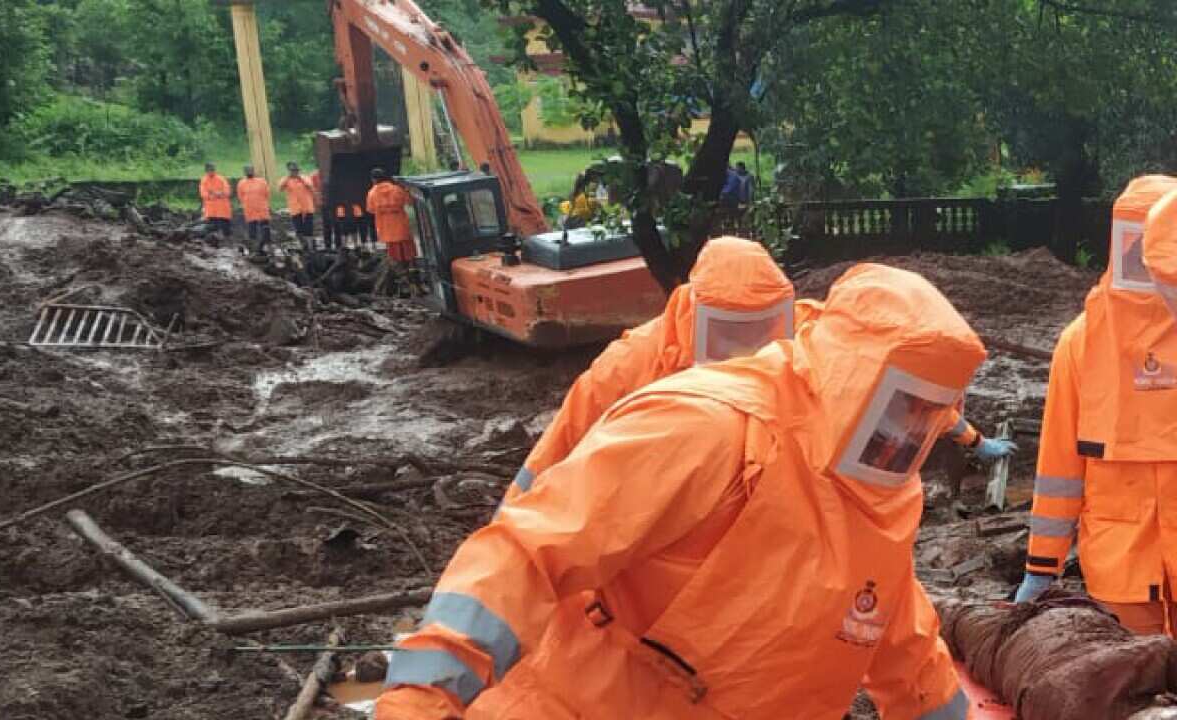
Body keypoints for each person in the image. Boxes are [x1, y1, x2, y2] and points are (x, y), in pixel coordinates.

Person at [376, 263, 985, 720]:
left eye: (927, 414)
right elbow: (530, 548)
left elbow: (904, 648)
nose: (906, 432)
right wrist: (425, 693)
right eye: (901, 405)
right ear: (855, 375)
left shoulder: (883, 504)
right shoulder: (710, 428)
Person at [504, 237, 1013, 502]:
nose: (748, 349)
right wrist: (510, 547)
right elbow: (552, 457)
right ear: (692, 313)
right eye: (729, 330)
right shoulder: (629, 367)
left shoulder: (810, 333)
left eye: (762, 328)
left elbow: (886, 391)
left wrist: (969, 437)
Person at [1015, 176, 1177, 637]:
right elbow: (1059, 468)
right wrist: (1041, 566)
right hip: (1119, 568)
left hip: (1116, 555)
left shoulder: (1078, 341)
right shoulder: (1081, 344)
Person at [366, 168, 417, 288]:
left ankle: (403, 284)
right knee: (409, 257)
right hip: (402, 229)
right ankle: (415, 280)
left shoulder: (372, 193)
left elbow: (371, 209)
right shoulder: (396, 189)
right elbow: (409, 201)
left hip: (387, 232)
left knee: (395, 259)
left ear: (373, 180)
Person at [278, 162, 316, 253]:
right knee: (299, 229)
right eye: (292, 170)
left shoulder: (305, 178)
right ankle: (304, 245)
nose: (294, 172)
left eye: (296, 170)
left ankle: (310, 247)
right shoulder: (286, 180)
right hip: (295, 208)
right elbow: (280, 188)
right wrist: (288, 177)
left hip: (307, 207)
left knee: (309, 229)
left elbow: (310, 186)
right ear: (289, 171)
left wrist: (300, 178)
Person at [236, 165, 271, 254]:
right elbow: (240, 196)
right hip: (249, 209)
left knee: (265, 227)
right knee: (252, 228)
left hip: (262, 208)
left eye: (251, 170)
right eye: (247, 171)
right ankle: (253, 246)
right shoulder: (241, 183)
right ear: (244, 172)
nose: (249, 172)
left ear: (253, 171)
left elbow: (267, 194)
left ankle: (267, 245)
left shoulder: (262, 181)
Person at [198, 162, 232, 237]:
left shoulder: (221, 179)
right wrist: (214, 195)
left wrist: (219, 194)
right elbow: (203, 194)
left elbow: (227, 191)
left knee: (225, 229)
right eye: (210, 170)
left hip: (223, 210)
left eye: (213, 169)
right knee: (212, 228)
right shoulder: (204, 180)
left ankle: (226, 239)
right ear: (206, 170)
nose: (212, 171)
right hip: (211, 211)